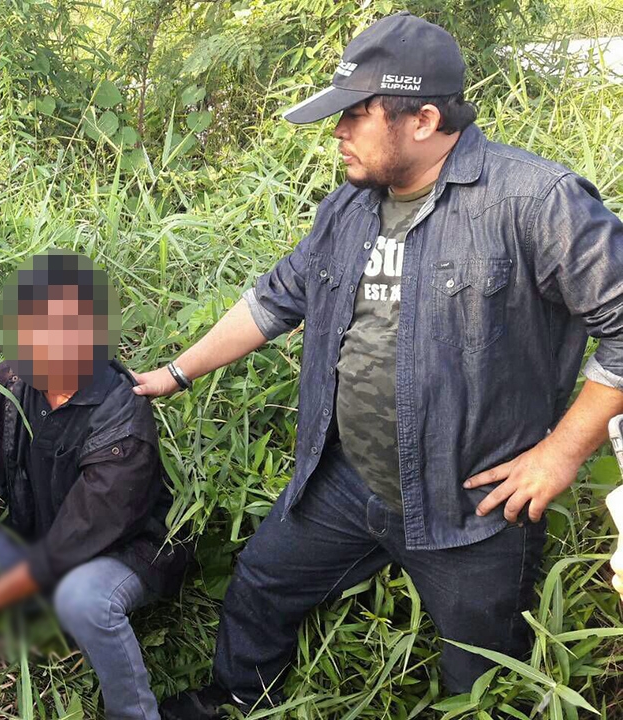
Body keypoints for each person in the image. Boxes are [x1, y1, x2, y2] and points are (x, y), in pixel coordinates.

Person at [127, 13, 623, 718]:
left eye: (356, 115)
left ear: (423, 119)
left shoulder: (536, 202)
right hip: (345, 477)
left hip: (472, 504)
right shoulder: (351, 207)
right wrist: (175, 374)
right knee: (262, 584)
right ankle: (235, 698)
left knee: (481, 676)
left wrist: (561, 453)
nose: (337, 132)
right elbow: (277, 298)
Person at [0, 251, 191, 720]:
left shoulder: (121, 420)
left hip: (127, 550)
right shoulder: (11, 382)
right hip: (42, 532)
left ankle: (134, 713)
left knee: (83, 599)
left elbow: (69, 545)